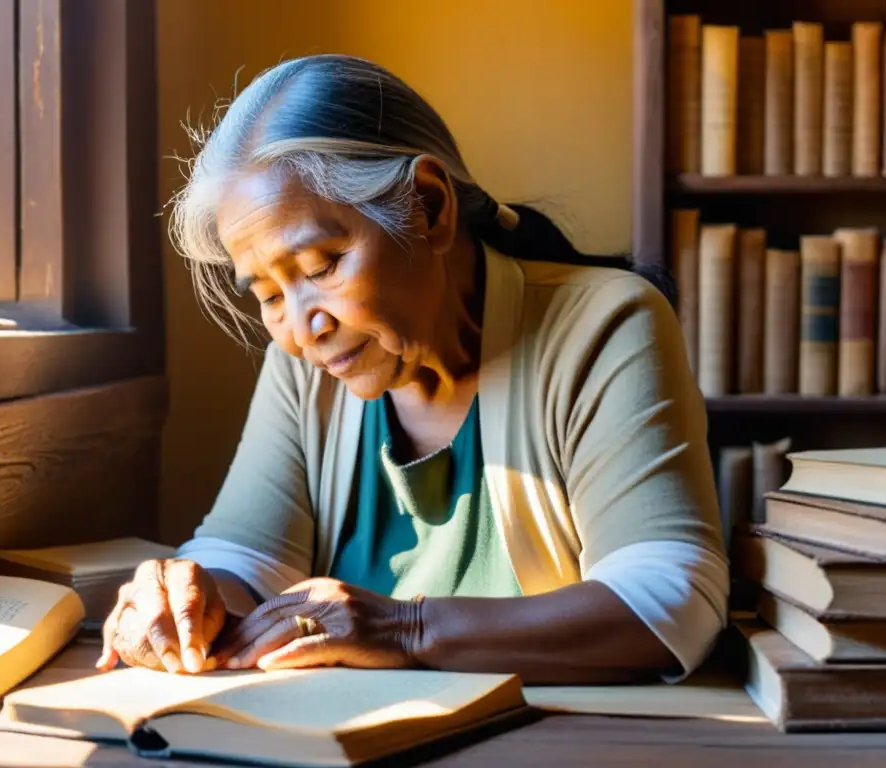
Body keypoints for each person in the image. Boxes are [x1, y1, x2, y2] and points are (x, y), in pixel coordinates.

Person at [97, 54, 728, 684]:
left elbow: (669, 603)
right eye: (267, 294)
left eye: (321, 267)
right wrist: (185, 602)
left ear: (429, 207)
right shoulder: (303, 368)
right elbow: (249, 560)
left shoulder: (604, 323)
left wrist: (406, 628)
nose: (301, 327)